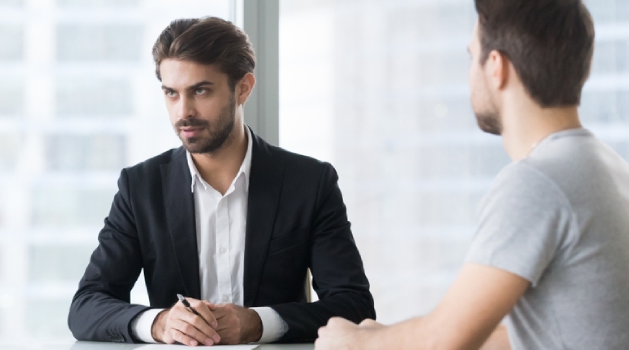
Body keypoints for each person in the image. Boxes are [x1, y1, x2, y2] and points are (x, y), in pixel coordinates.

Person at [315, 0, 629, 349]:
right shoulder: (607, 167)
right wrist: (384, 338)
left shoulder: (537, 182)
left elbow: (444, 342)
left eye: (471, 56)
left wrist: (352, 342)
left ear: (496, 67)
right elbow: (528, 335)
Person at [68, 17, 375, 345]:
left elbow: (354, 306)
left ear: (243, 88)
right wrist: (159, 323)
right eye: (171, 93)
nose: (183, 111)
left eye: (200, 90)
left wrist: (257, 322)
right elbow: (86, 306)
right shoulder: (140, 188)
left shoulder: (310, 183)